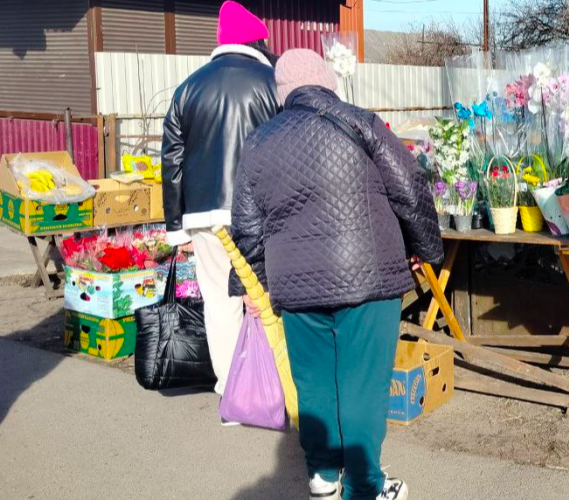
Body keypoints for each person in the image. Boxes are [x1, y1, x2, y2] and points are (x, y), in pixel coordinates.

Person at [228, 48, 443, 500]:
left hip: (296, 285)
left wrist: (252, 286)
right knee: (363, 386)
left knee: (314, 383)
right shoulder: (362, 122)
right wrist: (425, 249)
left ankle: (324, 477)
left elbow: (246, 225)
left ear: (280, 92)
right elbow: (410, 187)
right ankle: (366, 487)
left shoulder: (260, 142)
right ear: (328, 80)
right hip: (369, 278)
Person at [161, 1, 278, 399]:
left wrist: (177, 229)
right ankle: (275, 388)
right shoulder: (273, 81)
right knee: (266, 295)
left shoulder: (188, 88)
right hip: (263, 210)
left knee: (218, 300)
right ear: (256, 40)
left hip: (204, 215)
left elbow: (172, 161)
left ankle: (232, 392)